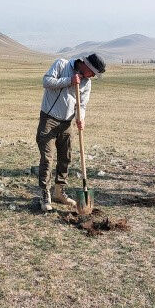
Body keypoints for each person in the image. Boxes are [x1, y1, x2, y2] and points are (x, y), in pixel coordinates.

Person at [36, 53, 106, 212]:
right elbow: (46, 81)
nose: (93, 76)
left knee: (65, 157)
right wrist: (69, 81)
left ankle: (59, 192)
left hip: (67, 122)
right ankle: (45, 194)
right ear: (86, 65)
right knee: (47, 158)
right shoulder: (62, 65)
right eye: (92, 73)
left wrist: (81, 118)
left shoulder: (87, 82)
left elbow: (82, 104)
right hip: (49, 118)